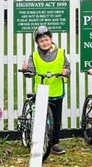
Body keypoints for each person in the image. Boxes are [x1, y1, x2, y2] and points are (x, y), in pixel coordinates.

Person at [19, 25, 70, 154]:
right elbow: (30, 72)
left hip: (56, 91)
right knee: (40, 119)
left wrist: (66, 72)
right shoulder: (34, 56)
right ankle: (39, 141)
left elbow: (67, 67)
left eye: (46, 39)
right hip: (41, 92)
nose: (45, 43)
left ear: (51, 39)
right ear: (37, 43)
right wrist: (26, 70)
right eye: (41, 41)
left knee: (56, 120)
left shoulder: (60, 53)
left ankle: (55, 142)